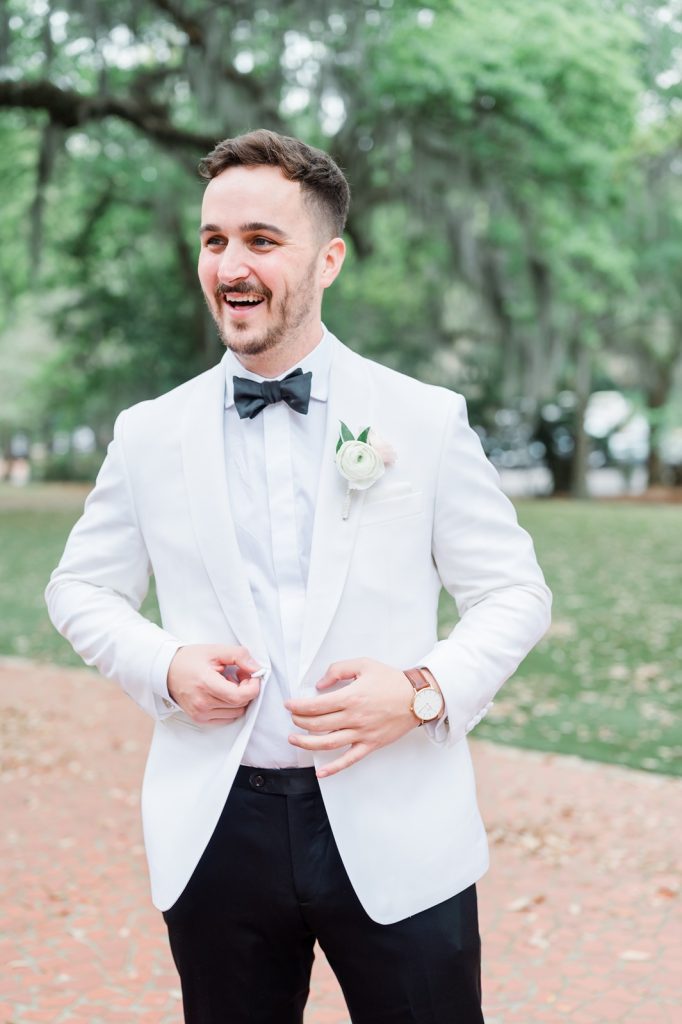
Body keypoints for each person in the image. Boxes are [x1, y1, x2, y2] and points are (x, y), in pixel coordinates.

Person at [46, 129, 552, 1024]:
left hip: (397, 819)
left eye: (261, 240)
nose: (230, 265)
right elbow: (79, 589)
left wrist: (423, 691)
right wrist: (166, 665)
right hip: (218, 828)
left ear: (329, 260)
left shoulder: (423, 419)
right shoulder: (149, 433)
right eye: (214, 240)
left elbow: (515, 593)